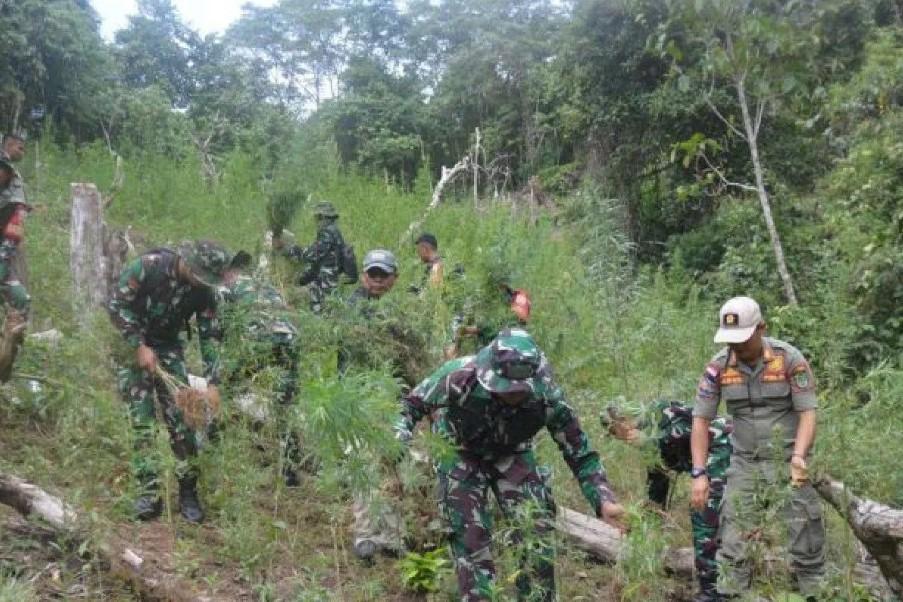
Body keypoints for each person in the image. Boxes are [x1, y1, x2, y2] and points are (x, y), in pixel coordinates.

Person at [396, 328, 625, 601]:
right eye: (504, 389)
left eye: (519, 392)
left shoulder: (548, 397)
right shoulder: (459, 376)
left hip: (513, 454)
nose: (511, 396)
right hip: (460, 451)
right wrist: (399, 436)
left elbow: (580, 452)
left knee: (535, 531)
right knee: (470, 536)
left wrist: (602, 499)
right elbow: (410, 405)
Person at [690, 296, 824, 596]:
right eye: (731, 342)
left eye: (743, 340)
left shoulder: (789, 359)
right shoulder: (718, 367)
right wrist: (699, 472)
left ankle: (814, 593)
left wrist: (799, 457)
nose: (737, 348)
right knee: (734, 543)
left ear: (761, 328)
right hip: (744, 464)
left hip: (787, 461)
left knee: (806, 539)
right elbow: (700, 420)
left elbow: (807, 412)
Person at [108, 240, 236, 523]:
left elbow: (210, 336)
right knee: (141, 420)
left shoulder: (204, 291)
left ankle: (188, 492)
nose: (202, 282)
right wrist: (138, 345)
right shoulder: (148, 267)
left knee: (182, 418)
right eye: (200, 275)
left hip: (168, 347)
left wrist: (214, 381)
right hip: (133, 345)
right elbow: (116, 305)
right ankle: (148, 492)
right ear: (187, 262)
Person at [606, 400, 731, 601]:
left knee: (702, 511)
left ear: (623, 421)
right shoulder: (646, 436)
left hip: (722, 446)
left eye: (614, 431)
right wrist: (643, 522)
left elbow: (683, 434)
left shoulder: (658, 413)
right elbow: (658, 482)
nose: (616, 437)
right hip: (710, 458)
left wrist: (650, 441)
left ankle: (712, 593)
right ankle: (724, 580)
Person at [220, 259, 302, 486]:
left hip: (256, 340)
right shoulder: (264, 285)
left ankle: (213, 448)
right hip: (289, 340)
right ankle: (290, 469)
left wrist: (227, 367)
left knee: (224, 391)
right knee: (285, 404)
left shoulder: (226, 288)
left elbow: (225, 328)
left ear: (226, 273)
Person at [273, 201, 347, 313]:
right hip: (329, 280)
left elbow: (310, 255)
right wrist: (304, 279)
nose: (316, 222)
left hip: (325, 283)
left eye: (317, 218)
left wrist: (286, 249)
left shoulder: (327, 233)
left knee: (320, 313)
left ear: (322, 217)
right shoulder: (334, 232)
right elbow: (318, 261)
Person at [0, 133, 31, 381]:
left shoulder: (13, 190)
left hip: (5, 254)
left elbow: (13, 234)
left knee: (21, 301)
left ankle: (8, 369)